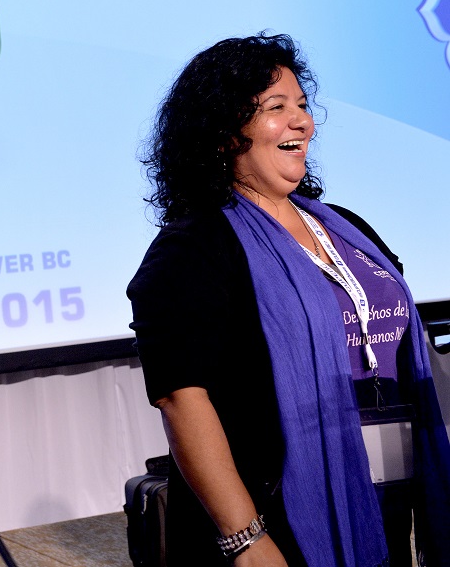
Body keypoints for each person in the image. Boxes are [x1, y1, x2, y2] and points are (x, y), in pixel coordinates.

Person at [126, 33, 450, 566]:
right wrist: (245, 539)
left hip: (383, 499)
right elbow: (182, 398)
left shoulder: (346, 229)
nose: (303, 122)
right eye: (276, 108)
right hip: (277, 518)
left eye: (301, 105)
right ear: (225, 132)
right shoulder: (194, 248)